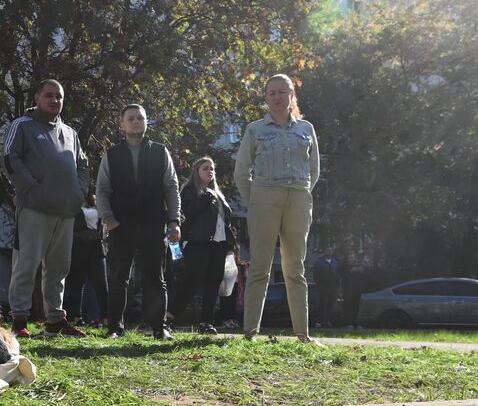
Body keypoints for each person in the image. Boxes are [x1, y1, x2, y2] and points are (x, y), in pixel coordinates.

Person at [233, 73, 320, 341]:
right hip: (264, 198)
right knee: (260, 267)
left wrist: (300, 194)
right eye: (272, 92)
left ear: (292, 95)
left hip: (298, 197)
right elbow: (241, 173)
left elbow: (314, 170)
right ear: (265, 97)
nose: (277, 97)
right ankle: (250, 333)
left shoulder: (306, 129)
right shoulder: (255, 129)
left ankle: (302, 334)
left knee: (296, 268)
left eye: (282, 91)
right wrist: (256, 200)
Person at [1, 80, 90, 338]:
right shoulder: (23, 126)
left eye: (59, 97)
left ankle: (55, 320)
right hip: (33, 208)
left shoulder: (71, 133)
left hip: (65, 210)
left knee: (59, 267)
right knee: (26, 264)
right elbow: (9, 157)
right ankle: (19, 320)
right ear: (37, 97)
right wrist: (29, 187)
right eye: (49, 95)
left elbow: (83, 165)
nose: (55, 100)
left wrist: (78, 192)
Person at [96, 104, 181, 339]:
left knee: (155, 278)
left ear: (146, 123)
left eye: (140, 118)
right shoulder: (111, 155)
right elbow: (101, 190)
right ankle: (114, 328)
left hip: (154, 225)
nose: (136, 122)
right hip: (120, 226)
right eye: (131, 118)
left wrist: (174, 221)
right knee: (118, 279)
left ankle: (159, 327)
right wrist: (109, 220)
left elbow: (171, 188)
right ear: (121, 125)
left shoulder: (160, 151)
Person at [168, 157, 237, 334]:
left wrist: (231, 243)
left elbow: (225, 221)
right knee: (191, 281)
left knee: (213, 283)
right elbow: (187, 214)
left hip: (219, 244)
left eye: (212, 169)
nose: (210, 172)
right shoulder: (190, 190)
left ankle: (207, 322)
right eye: (205, 168)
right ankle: (169, 316)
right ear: (197, 171)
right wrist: (205, 199)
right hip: (198, 243)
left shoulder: (217, 193)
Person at [63, 192, 108, 325]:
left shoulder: (100, 206)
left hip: (97, 248)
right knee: (76, 283)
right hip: (79, 247)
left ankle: (106, 318)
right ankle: (75, 317)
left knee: (101, 284)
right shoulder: (75, 206)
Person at [312, 247, 342, 327]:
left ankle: (329, 321)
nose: (329, 252)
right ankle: (322, 321)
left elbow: (338, 274)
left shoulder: (335, 262)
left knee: (331, 304)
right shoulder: (319, 262)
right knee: (323, 304)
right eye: (327, 250)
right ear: (324, 251)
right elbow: (315, 275)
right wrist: (319, 285)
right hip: (323, 287)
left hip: (333, 288)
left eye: (331, 250)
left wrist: (337, 286)